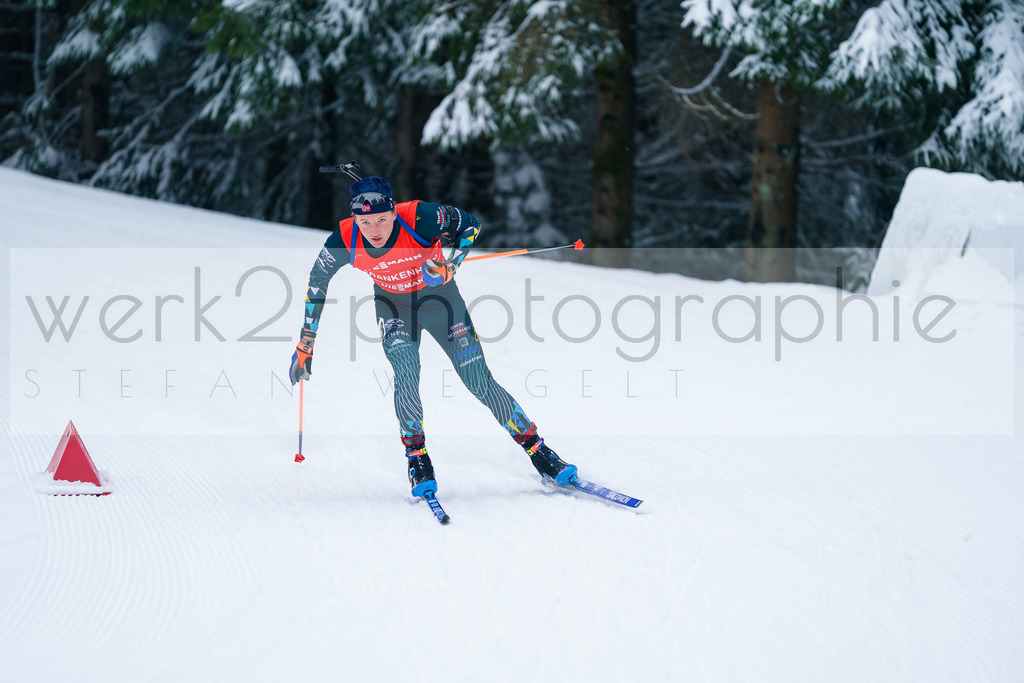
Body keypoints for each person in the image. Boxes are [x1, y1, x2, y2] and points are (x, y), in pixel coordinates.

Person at [288, 175, 577, 498]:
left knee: (477, 379)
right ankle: (417, 459)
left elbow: (471, 225)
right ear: (355, 218)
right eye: (366, 221)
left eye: (382, 219)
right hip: (395, 308)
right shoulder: (343, 238)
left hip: (442, 302)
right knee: (407, 373)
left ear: (394, 212)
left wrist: (452, 264)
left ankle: (539, 452)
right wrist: (305, 343)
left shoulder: (421, 216)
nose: (375, 229)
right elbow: (317, 282)